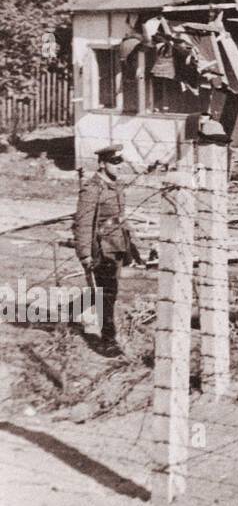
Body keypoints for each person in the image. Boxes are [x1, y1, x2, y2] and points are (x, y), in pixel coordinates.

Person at [72, 144, 138, 356]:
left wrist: (133, 246)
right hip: (101, 249)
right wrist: (84, 254)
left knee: (106, 290)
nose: (119, 166)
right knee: (107, 293)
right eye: (114, 162)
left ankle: (72, 310)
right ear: (101, 164)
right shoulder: (92, 188)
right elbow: (83, 223)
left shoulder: (115, 185)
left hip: (117, 246)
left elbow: (120, 219)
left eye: (120, 162)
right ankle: (108, 340)